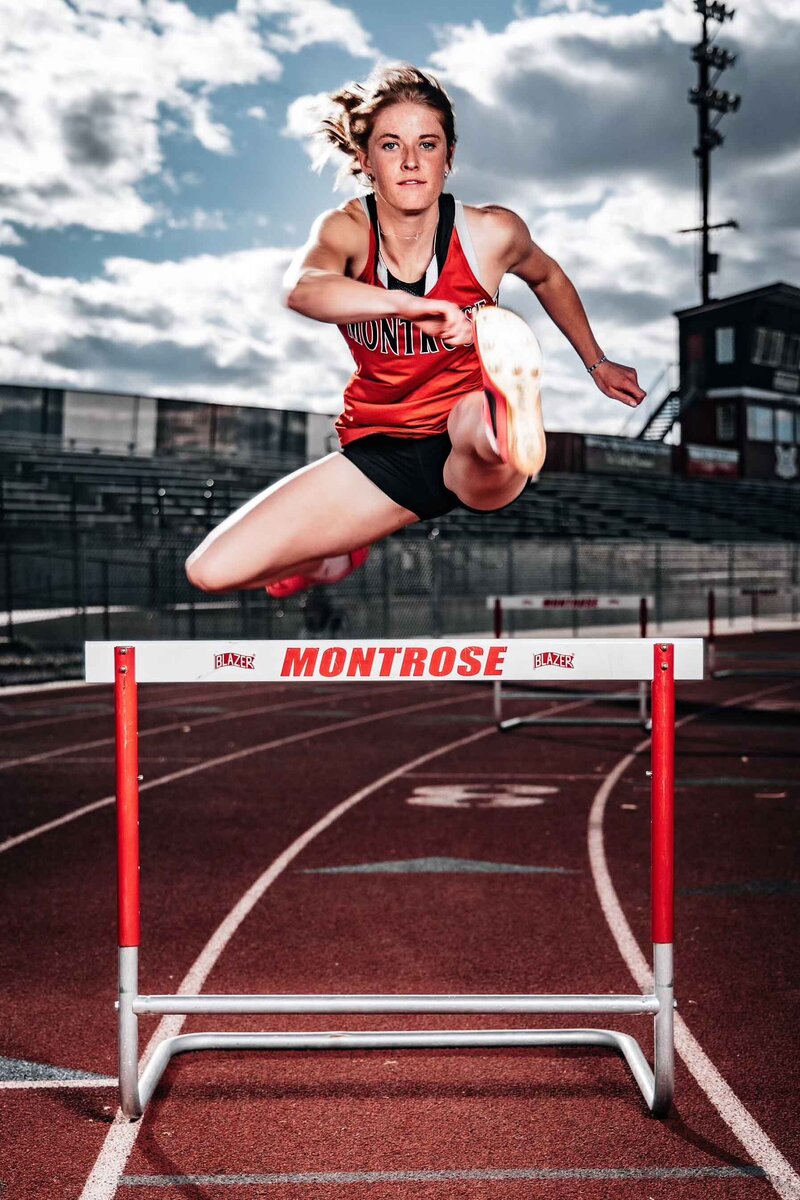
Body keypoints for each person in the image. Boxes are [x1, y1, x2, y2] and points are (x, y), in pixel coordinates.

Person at [186, 64, 645, 599]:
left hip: (462, 434)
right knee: (210, 571)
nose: (410, 161)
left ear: (448, 158)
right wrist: (405, 306)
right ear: (365, 161)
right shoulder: (347, 229)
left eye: (427, 144)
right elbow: (304, 287)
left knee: (476, 424)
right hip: (381, 450)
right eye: (390, 146)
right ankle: (328, 561)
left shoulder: (491, 232)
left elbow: (547, 275)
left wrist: (597, 362)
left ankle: (507, 419)